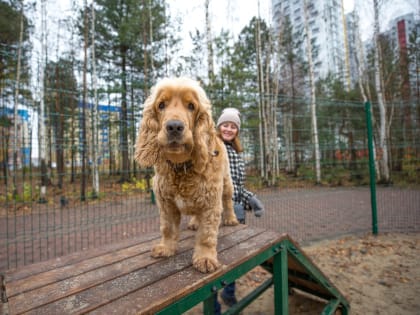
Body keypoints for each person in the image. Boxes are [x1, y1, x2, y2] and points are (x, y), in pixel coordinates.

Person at [214, 107, 264, 313]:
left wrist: (251, 199)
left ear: (237, 130)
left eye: (233, 126)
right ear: (219, 127)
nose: (228, 129)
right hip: (216, 212)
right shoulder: (213, 148)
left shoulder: (236, 152)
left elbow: (237, 187)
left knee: (234, 256)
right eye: (225, 125)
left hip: (237, 211)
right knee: (214, 257)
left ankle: (229, 292)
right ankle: (213, 304)